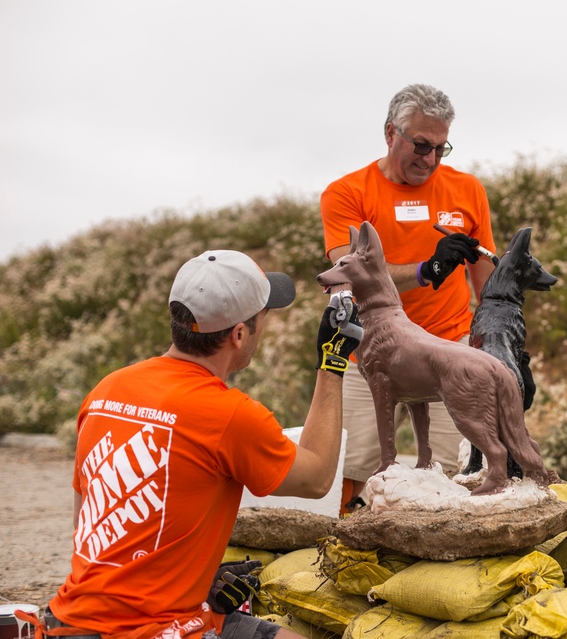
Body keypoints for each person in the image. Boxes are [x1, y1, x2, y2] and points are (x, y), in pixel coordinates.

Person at [43, 250, 363, 639]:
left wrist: (196, 573)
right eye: (262, 318)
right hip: (153, 629)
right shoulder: (229, 415)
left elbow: (88, 525)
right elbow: (316, 478)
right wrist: (332, 363)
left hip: (71, 618)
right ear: (239, 334)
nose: (264, 327)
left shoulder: (107, 390)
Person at [320, 83, 496, 511]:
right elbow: (351, 277)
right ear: (389, 133)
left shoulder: (468, 190)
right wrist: (427, 270)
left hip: (447, 352)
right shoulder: (347, 193)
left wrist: (497, 339)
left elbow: (485, 279)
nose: (430, 159)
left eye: (441, 147)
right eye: (420, 145)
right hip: (372, 356)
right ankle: (340, 546)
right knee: (348, 470)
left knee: (453, 479)